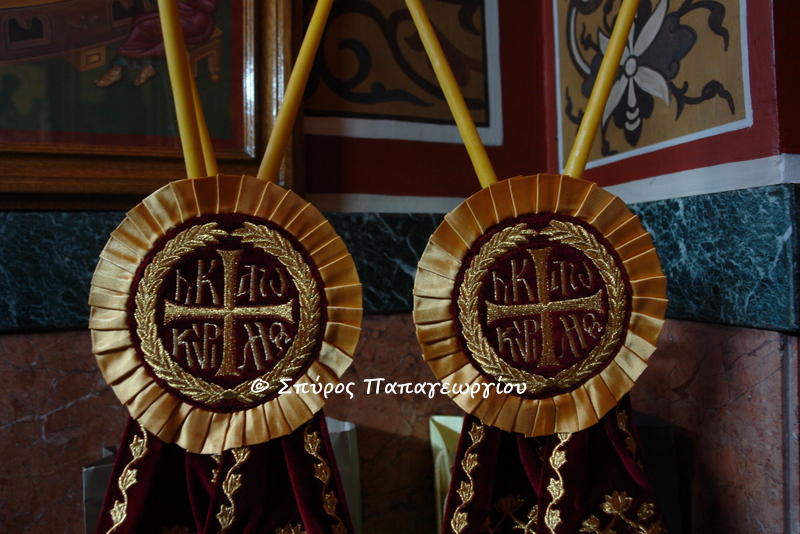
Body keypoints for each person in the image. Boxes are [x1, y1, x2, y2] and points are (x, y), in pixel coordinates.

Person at [95, 0, 218, 88]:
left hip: (195, 22)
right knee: (139, 20)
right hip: (176, 13)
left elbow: (211, 5)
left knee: (144, 26)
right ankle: (150, 66)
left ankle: (118, 67)